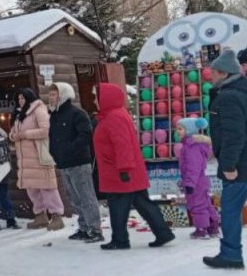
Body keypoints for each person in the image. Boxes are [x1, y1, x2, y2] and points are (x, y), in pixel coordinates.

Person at [93, 83, 175, 250]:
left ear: (105, 98)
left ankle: (120, 240)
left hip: (120, 171)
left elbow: (122, 145)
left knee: (117, 206)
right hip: (128, 170)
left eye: (97, 97)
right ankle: (162, 232)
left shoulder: (114, 117)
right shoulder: (115, 115)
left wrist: (123, 169)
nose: (95, 100)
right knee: (143, 203)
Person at [203, 49, 247, 270]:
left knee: (229, 209)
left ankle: (230, 254)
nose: (210, 75)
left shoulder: (229, 97)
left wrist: (228, 164)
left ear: (223, 73)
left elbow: (235, 134)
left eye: (213, 71)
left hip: (240, 166)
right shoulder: (239, 92)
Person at [48, 82, 103, 243]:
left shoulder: (77, 113)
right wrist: (55, 153)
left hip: (79, 162)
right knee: (75, 199)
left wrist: (70, 149)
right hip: (64, 163)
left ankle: (95, 229)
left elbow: (85, 135)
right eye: (50, 94)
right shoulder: (55, 115)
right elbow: (53, 138)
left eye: (54, 94)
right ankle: (84, 227)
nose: (51, 97)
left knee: (86, 196)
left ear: (63, 95)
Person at [9, 88, 65, 230]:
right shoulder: (19, 113)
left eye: (23, 98)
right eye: (19, 98)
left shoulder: (39, 110)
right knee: (32, 188)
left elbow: (47, 130)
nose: (20, 101)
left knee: (47, 187)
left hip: (39, 155)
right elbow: (14, 131)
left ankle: (57, 216)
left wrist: (24, 134)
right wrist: (12, 135)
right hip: (25, 159)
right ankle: (40, 216)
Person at [175, 117, 220, 240]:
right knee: (205, 203)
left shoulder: (191, 146)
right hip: (200, 180)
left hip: (195, 182)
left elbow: (193, 166)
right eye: (177, 129)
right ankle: (213, 226)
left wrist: (189, 183)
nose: (177, 131)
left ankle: (201, 229)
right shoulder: (194, 145)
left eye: (180, 128)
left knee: (197, 204)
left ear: (189, 130)